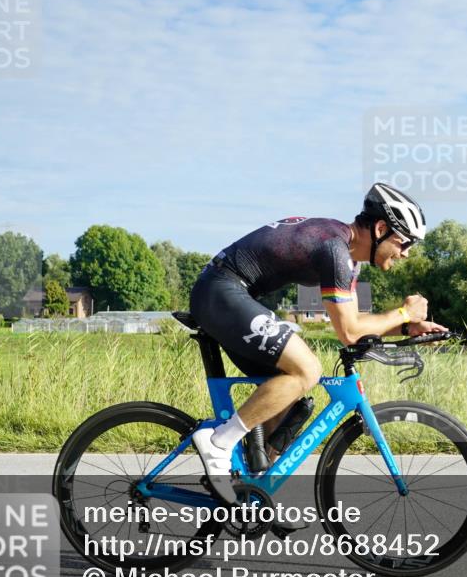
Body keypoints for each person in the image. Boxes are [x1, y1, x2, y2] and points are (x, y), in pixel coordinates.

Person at [189, 183, 447, 506]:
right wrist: (402, 312)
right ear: (381, 228)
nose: (406, 253)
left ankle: (253, 495)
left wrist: (406, 326)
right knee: (307, 370)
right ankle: (218, 441)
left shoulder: (346, 256)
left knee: (285, 391)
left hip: (231, 294)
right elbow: (349, 332)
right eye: (404, 242)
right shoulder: (335, 249)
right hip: (220, 291)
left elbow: (353, 321)